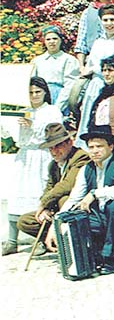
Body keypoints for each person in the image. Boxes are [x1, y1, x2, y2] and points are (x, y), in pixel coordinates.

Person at [46, 125, 114, 274]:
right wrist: (55, 225)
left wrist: (95, 193)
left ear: (111, 146)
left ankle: (111, 258)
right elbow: (74, 198)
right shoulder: (86, 169)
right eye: (91, 147)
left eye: (99, 146)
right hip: (102, 217)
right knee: (76, 216)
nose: (95, 150)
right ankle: (89, 256)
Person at [3, 77, 63, 256]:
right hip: (24, 157)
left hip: (41, 155)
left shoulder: (52, 111)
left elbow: (54, 130)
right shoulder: (22, 111)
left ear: (45, 92)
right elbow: (8, 133)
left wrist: (33, 125)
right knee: (16, 194)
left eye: (38, 92)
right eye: (30, 92)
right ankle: (12, 240)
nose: (34, 95)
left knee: (39, 196)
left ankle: (40, 239)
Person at [15, 123, 90, 255]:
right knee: (25, 221)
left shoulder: (81, 157)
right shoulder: (54, 164)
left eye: (58, 146)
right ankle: (56, 241)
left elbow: (67, 185)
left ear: (70, 142)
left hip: (79, 207)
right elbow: (49, 187)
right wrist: (45, 208)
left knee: (63, 199)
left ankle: (77, 244)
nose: (54, 151)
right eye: (51, 148)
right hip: (58, 209)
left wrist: (45, 202)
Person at [76, 4, 114, 142]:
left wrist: (96, 69)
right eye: (105, 20)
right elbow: (91, 63)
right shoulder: (98, 42)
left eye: (112, 20)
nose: (109, 24)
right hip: (97, 83)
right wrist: (92, 69)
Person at [32, 25, 79, 115]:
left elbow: (70, 85)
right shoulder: (37, 61)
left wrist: (57, 107)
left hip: (59, 97)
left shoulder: (69, 60)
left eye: (55, 38)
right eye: (48, 39)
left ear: (60, 40)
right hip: (40, 97)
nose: (52, 42)